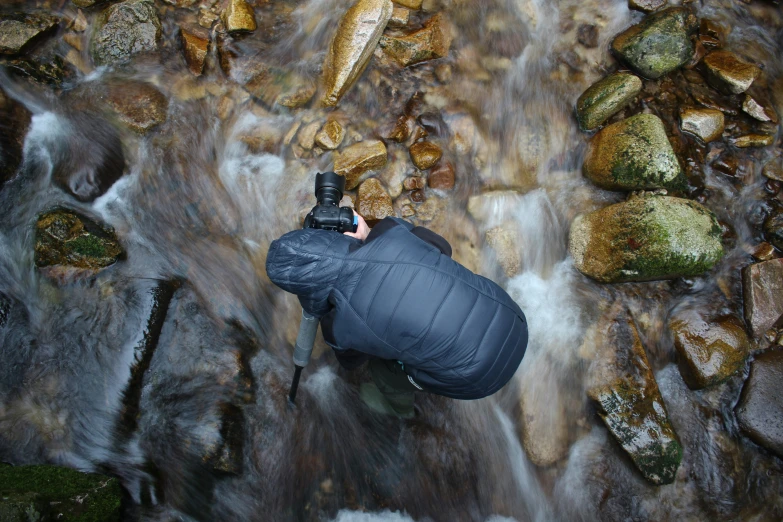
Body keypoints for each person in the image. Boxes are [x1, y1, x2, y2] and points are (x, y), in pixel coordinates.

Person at [265, 211, 528, 418]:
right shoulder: (390, 230)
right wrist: (368, 236)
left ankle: (398, 406)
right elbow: (443, 247)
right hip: (511, 316)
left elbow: (351, 362)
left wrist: (325, 307)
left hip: (478, 377)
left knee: (383, 370)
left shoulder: (339, 326)